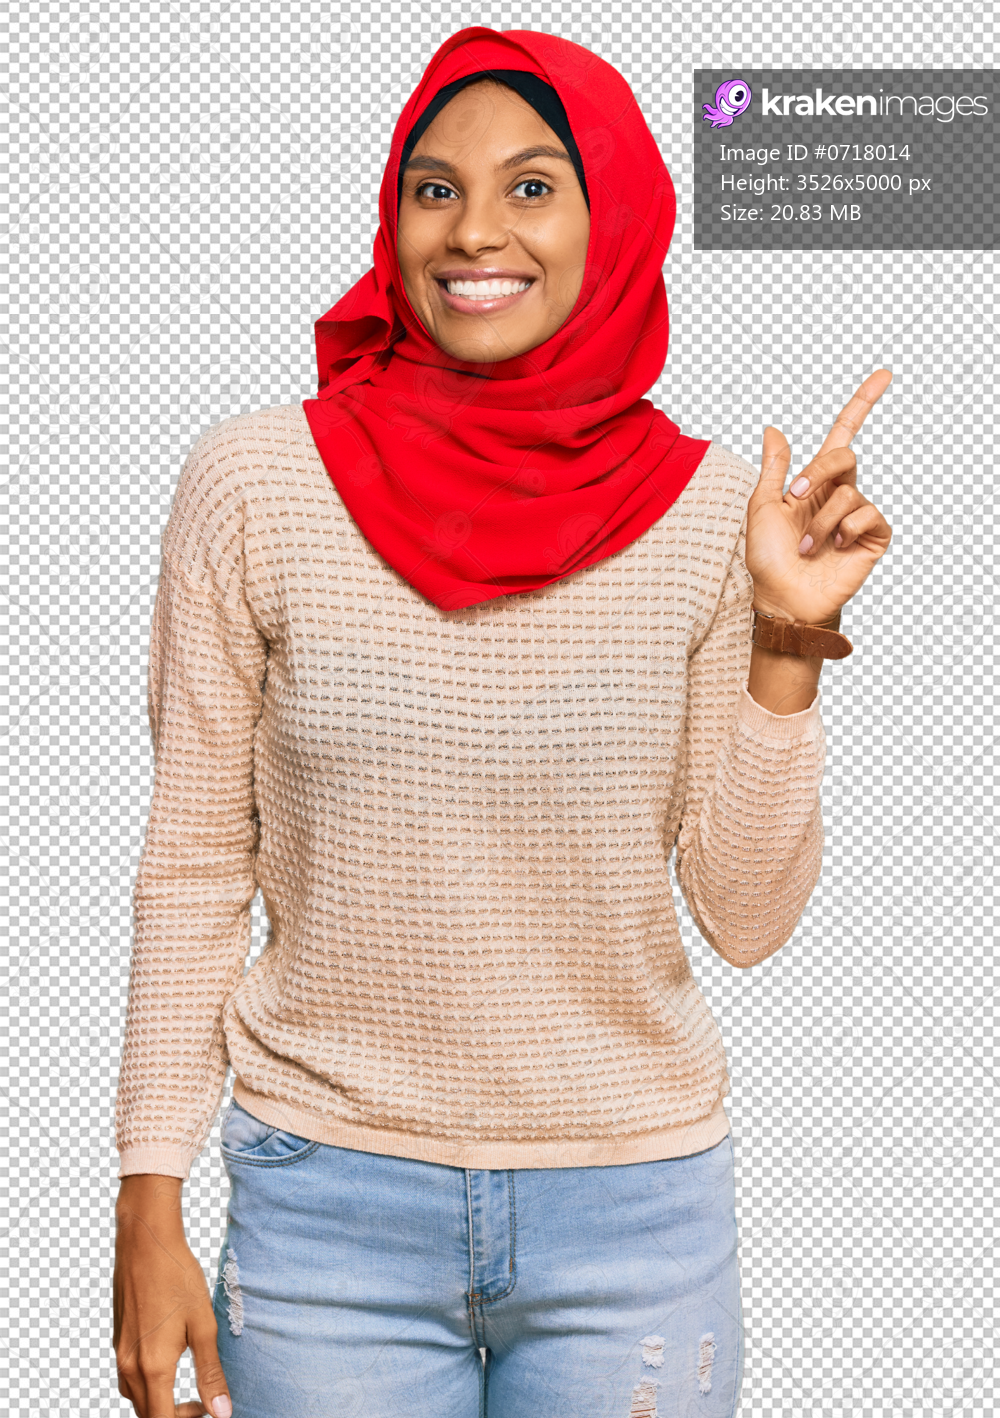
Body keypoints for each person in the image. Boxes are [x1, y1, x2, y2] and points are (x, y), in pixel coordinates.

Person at [112, 26, 892, 1418]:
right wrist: (147, 1199)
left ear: (620, 217)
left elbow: (749, 916)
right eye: (434, 187)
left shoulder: (722, 513)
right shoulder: (254, 486)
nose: (474, 229)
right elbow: (189, 866)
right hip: (325, 1207)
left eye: (534, 186)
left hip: (634, 1220)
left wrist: (788, 641)